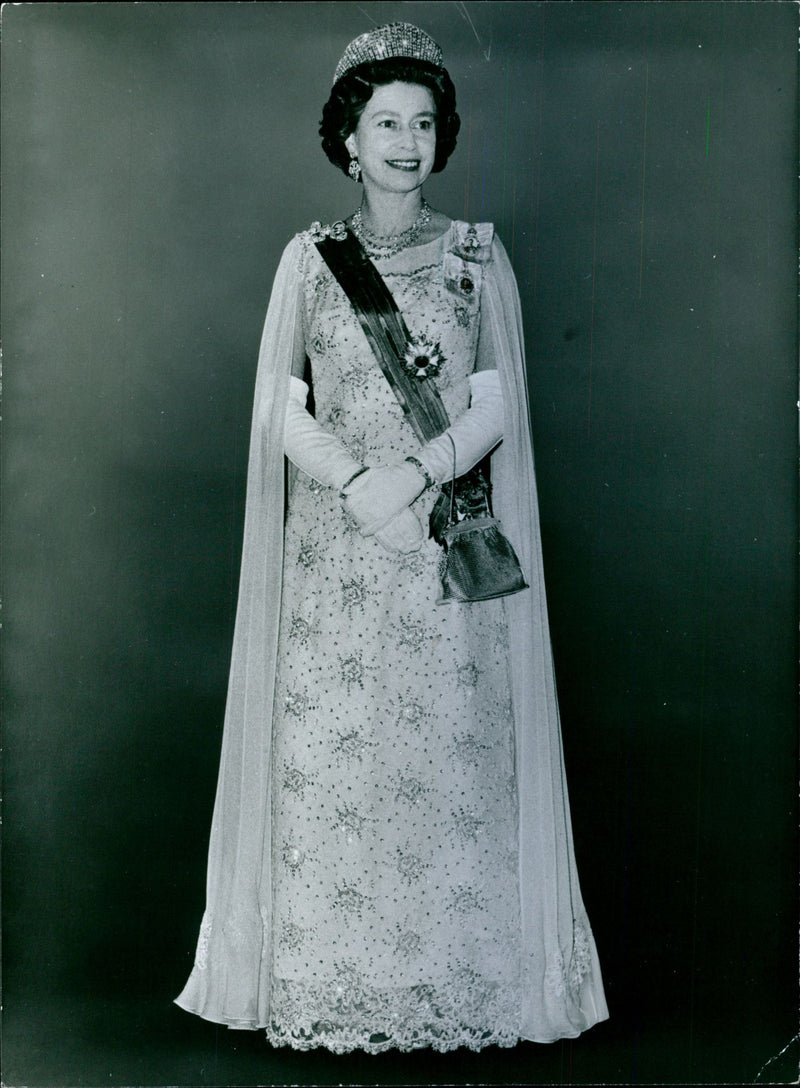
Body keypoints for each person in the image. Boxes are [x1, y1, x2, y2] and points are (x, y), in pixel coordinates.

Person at [176, 22, 608, 1053]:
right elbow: (281, 412)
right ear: (349, 141)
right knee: (337, 772)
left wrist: (413, 473)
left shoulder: (474, 254)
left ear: (436, 137)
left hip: (438, 552)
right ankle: (339, 983)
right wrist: (358, 477)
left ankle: (453, 987)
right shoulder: (309, 261)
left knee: (446, 766)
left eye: (421, 123)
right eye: (385, 124)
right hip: (335, 556)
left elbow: (498, 402)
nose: (404, 143)